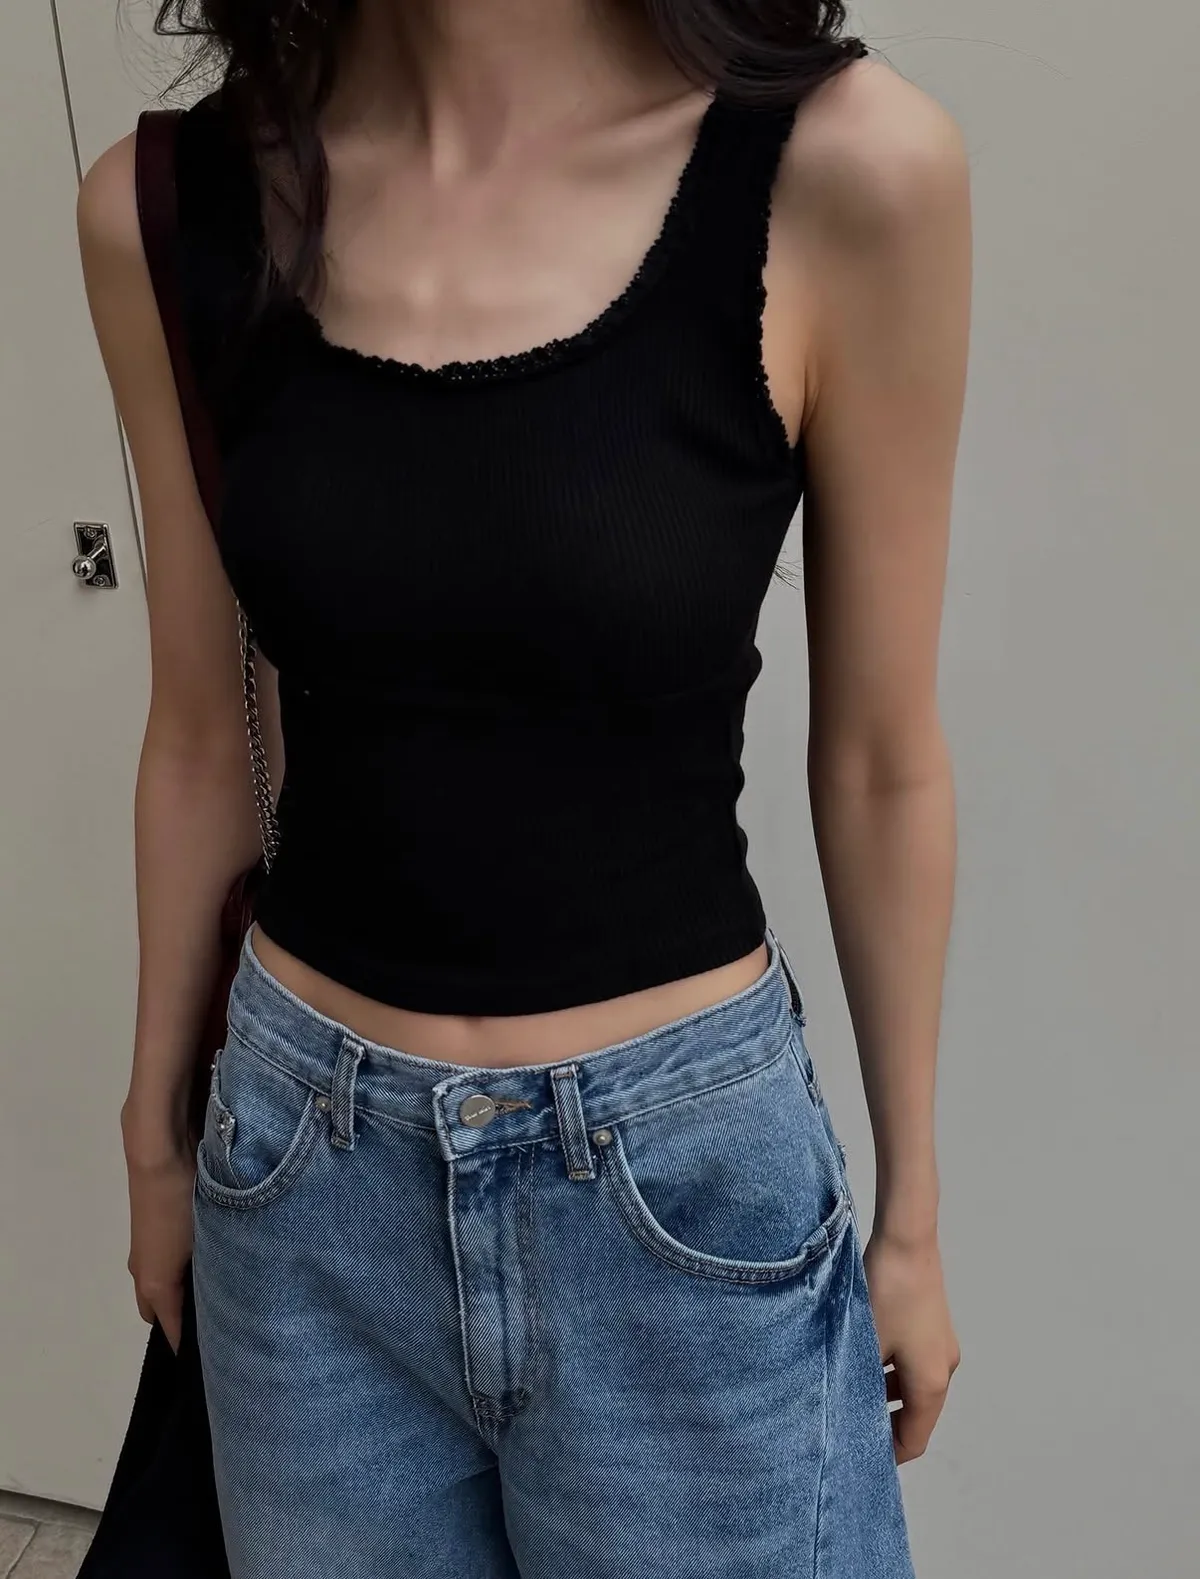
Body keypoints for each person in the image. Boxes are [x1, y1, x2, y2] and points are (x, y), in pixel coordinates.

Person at [77, 1, 967, 1573]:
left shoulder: (848, 170)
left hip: (679, 1198)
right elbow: (204, 729)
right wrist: (154, 1135)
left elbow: (882, 759)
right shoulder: (167, 207)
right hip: (300, 1188)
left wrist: (911, 1211)